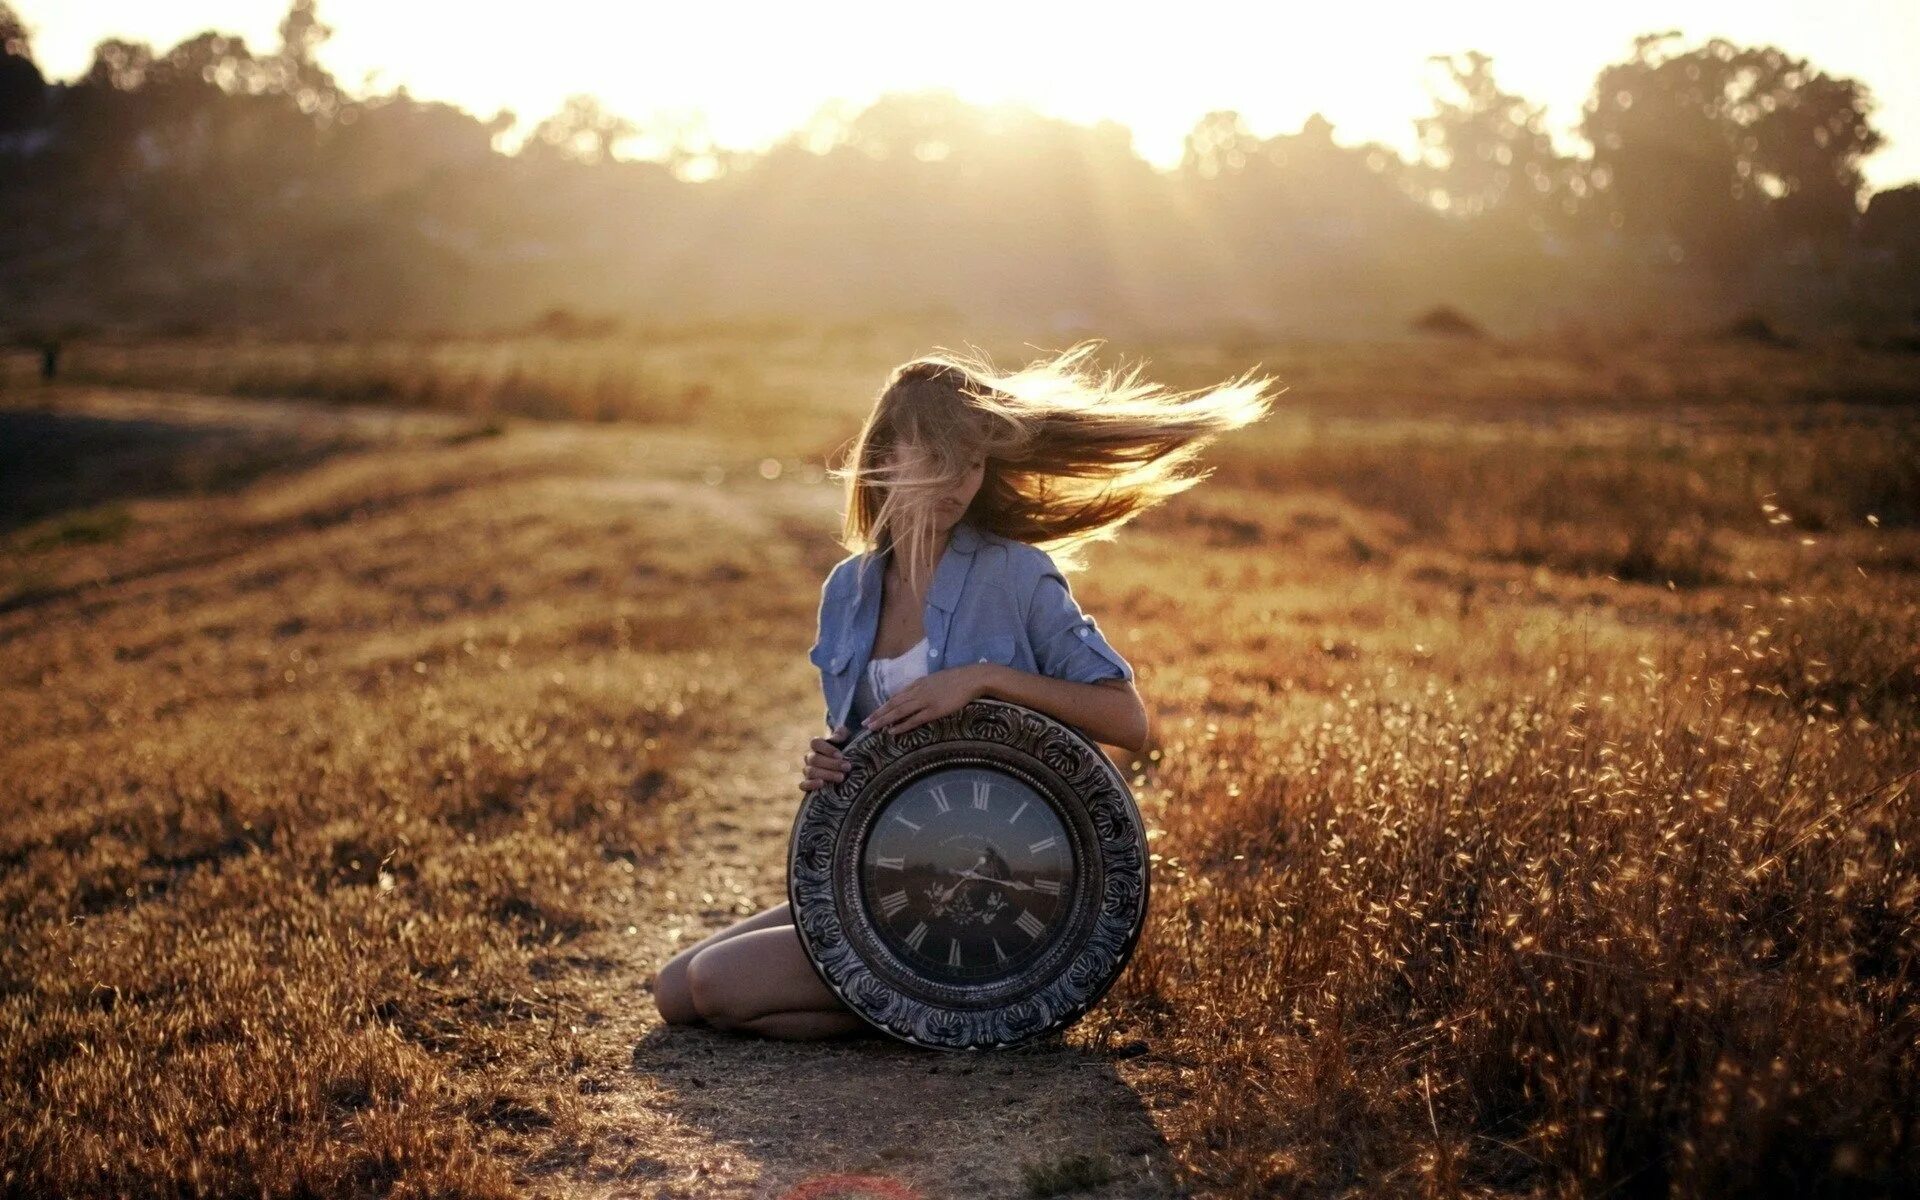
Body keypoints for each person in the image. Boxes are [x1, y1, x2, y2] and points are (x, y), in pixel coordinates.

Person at [651, 341, 1276, 1040]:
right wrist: (832, 761)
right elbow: (871, 744)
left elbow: (1126, 720)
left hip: (997, 888)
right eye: (939, 458)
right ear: (889, 454)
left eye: (973, 462)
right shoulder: (848, 590)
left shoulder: (1016, 574)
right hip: (894, 879)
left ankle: (951, 1004)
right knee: (674, 990)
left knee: (717, 985)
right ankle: (920, 1014)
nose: (959, 481)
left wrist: (982, 679)